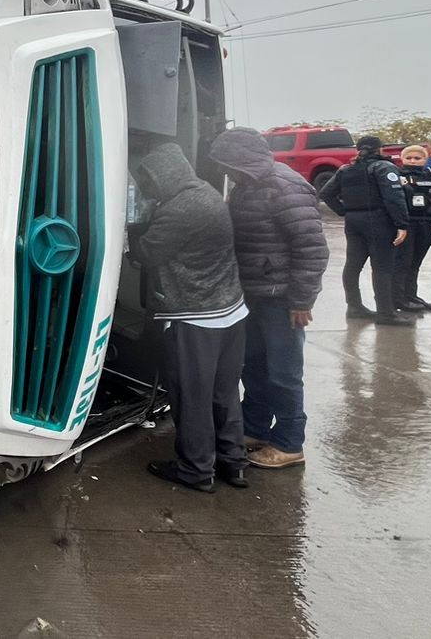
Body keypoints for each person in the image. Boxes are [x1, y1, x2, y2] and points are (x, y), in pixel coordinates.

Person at [208, 128, 329, 470]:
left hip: (282, 300)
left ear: (242, 159)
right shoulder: (247, 185)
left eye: (227, 164)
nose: (226, 172)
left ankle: (290, 443)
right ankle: (255, 428)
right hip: (255, 294)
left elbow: (312, 249)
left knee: (284, 373)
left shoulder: (286, 187)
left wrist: (302, 300)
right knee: (255, 367)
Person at [133, 143, 250, 493]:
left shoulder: (179, 208)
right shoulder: (207, 193)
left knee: (192, 398)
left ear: (163, 176)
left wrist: (130, 236)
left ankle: (196, 470)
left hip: (195, 318)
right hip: (231, 310)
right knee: (224, 393)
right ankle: (233, 462)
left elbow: (148, 253)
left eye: (148, 181)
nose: (146, 188)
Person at [319, 135, 411, 325]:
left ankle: (354, 306)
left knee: (353, 265)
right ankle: (386, 313)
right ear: (379, 149)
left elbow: (326, 193)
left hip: (353, 221)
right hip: (378, 220)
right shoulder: (383, 167)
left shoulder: (346, 170)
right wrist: (402, 224)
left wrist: (344, 210)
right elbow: (394, 197)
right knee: (382, 267)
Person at [395, 145, 431, 313]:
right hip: (406, 224)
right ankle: (398, 299)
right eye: (409, 158)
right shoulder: (396, 176)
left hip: (426, 223)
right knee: (403, 263)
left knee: (415, 263)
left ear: (425, 159)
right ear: (402, 159)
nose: (413, 161)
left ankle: (411, 295)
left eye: (417, 158)